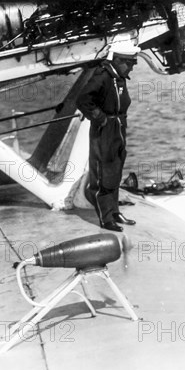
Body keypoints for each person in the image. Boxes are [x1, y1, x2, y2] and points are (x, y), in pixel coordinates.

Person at [76, 35, 139, 232]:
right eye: (129, 63)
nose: (131, 68)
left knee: (116, 170)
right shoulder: (102, 75)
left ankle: (114, 211)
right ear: (118, 60)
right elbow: (83, 100)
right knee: (103, 173)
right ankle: (105, 218)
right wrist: (100, 118)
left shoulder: (118, 77)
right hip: (104, 130)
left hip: (118, 128)